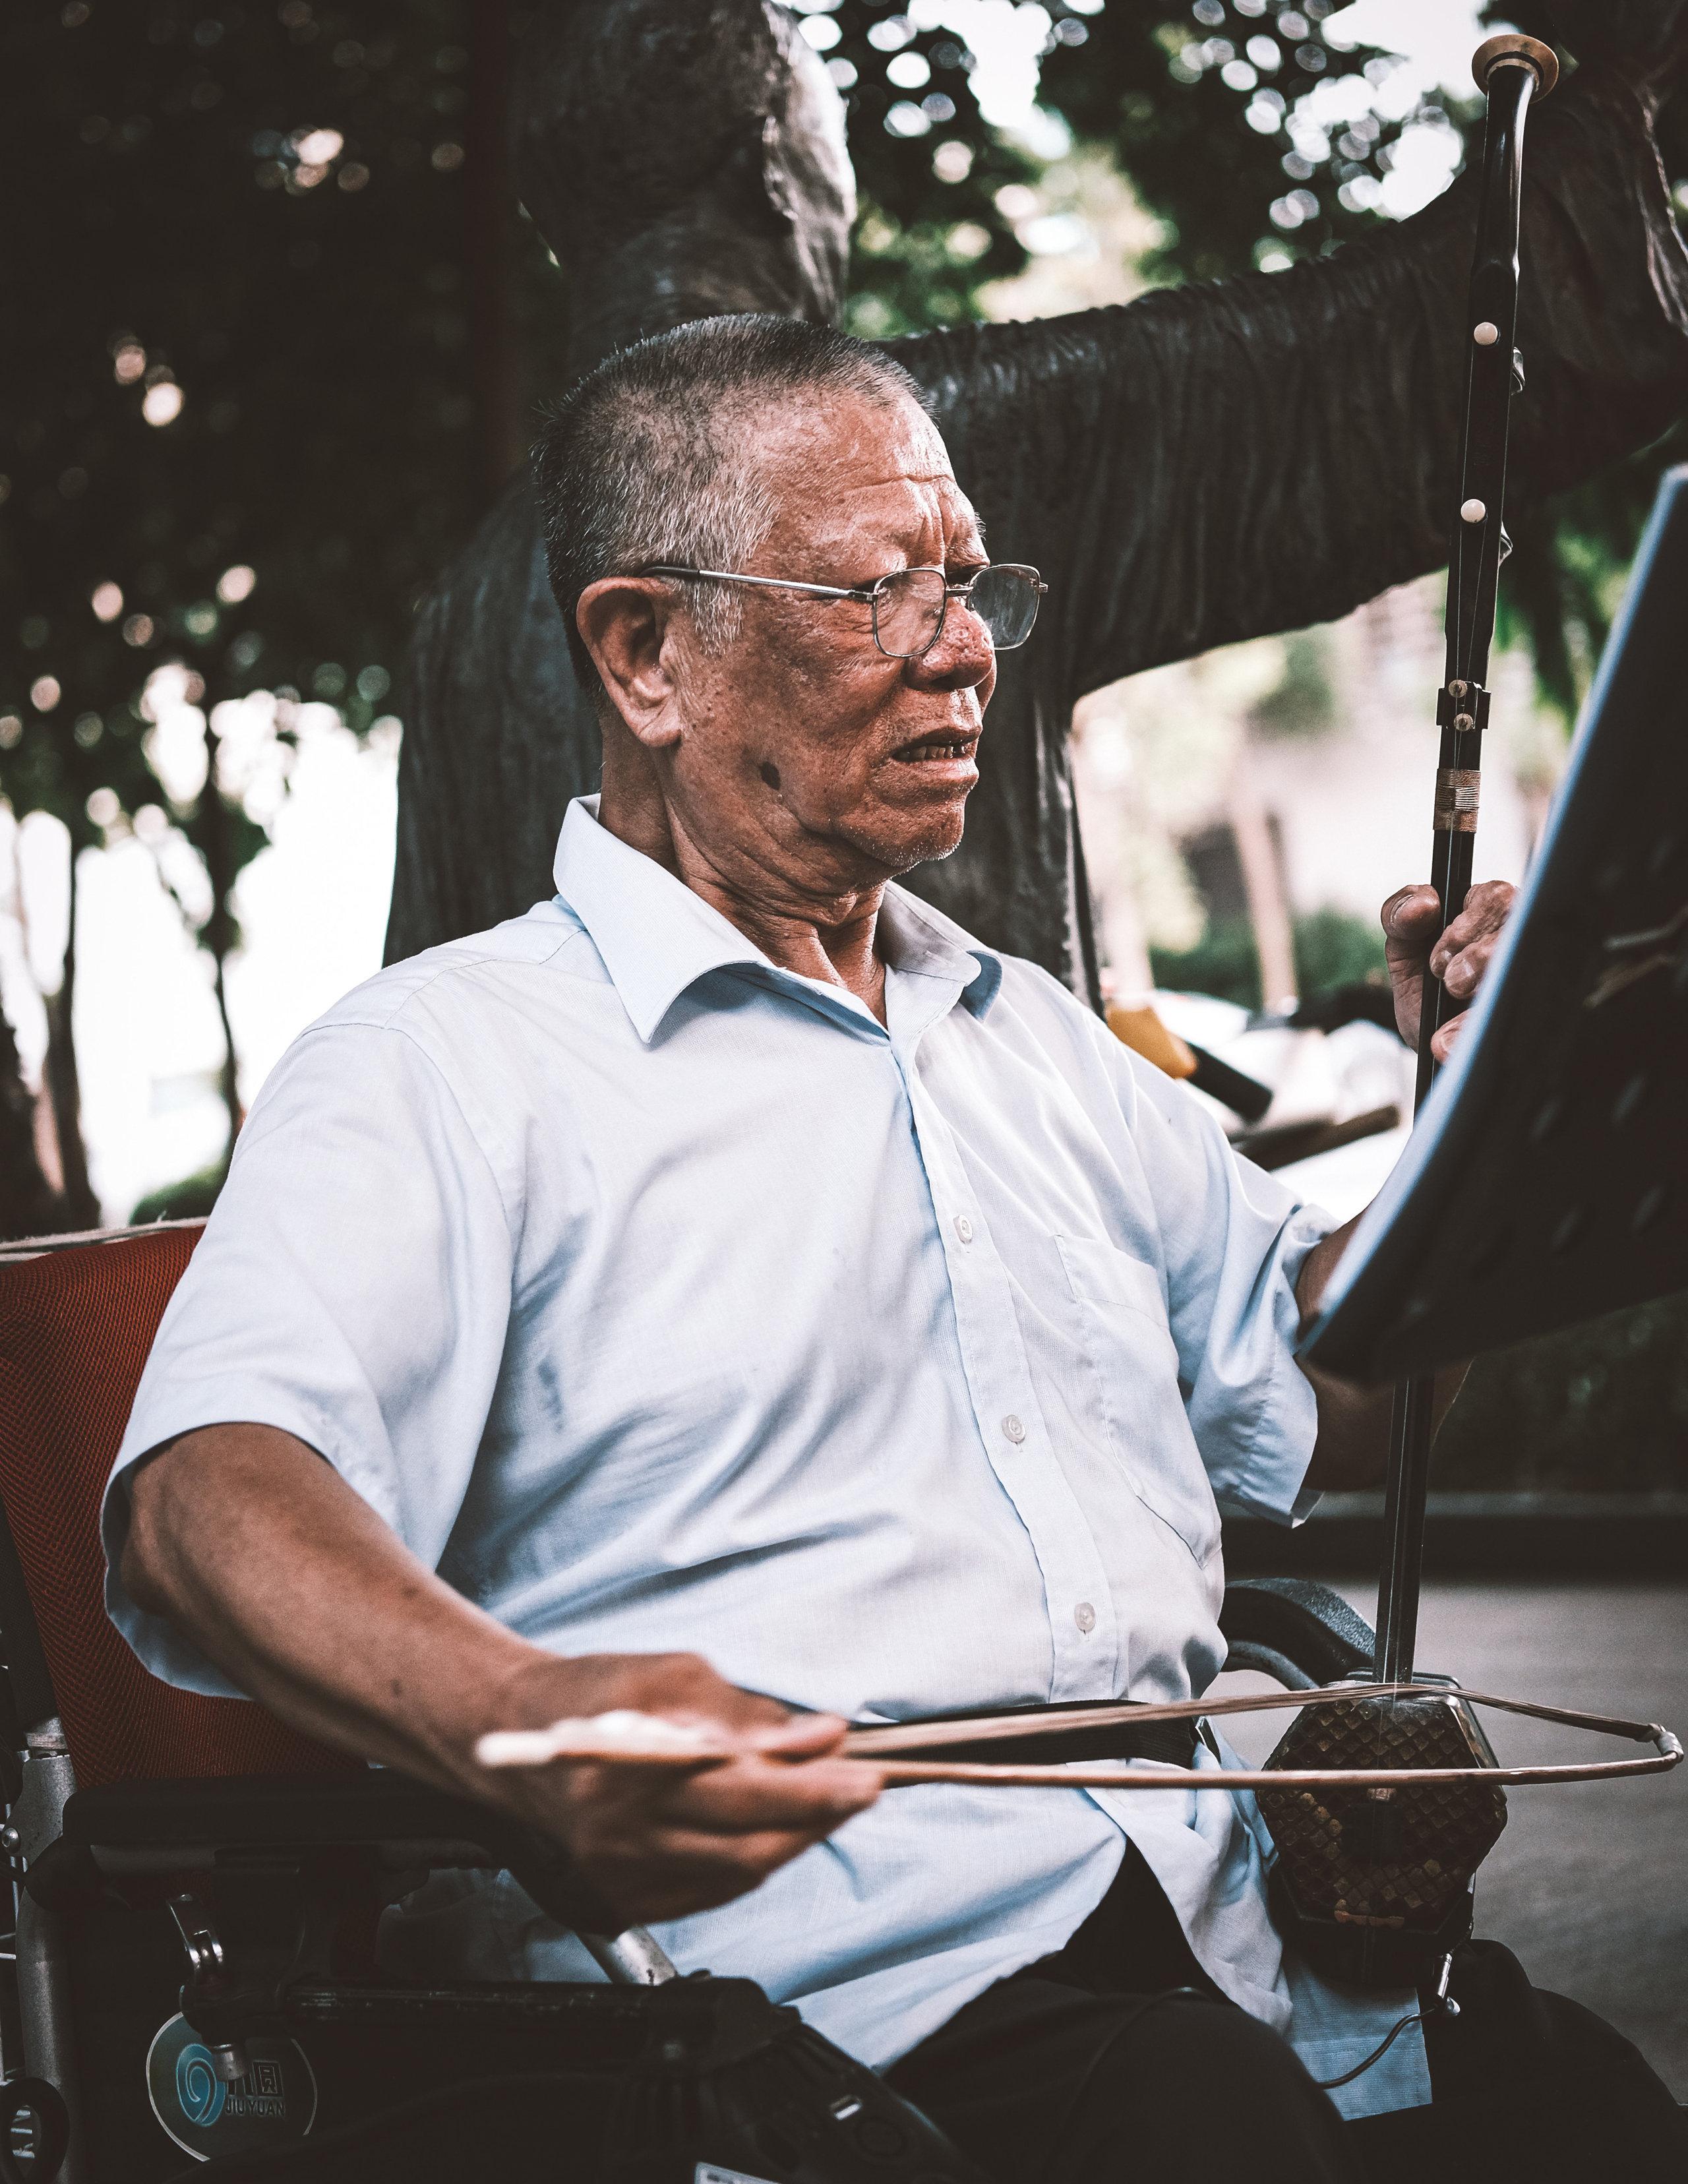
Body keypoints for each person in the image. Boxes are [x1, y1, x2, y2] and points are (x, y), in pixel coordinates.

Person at [106, 319, 1683, 2179]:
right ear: (646, 653)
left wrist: (1484, 1104)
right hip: (807, 2007)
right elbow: (203, 1495)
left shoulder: (1028, 1038)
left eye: (972, 583)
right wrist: (518, 1713)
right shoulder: (443, 1061)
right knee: (1202, 2129)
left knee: (1582, 2112)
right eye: (877, 592)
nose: (966, 649)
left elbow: (1331, 1383)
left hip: (1214, 1938)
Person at [386, 0, 1688, 1002]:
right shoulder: (947, 445)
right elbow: (1460, 361)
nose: (956, 637)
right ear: (781, 171)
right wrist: (1600, 83)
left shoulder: (465, 606)